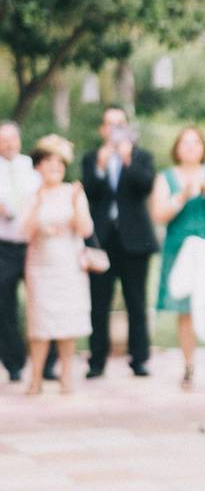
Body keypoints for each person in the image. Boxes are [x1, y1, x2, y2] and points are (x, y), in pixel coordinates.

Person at [150, 127, 205, 390]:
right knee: (184, 309)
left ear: (202, 147)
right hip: (181, 248)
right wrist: (182, 197)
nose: (189, 147)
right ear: (176, 148)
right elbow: (158, 215)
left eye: (195, 142)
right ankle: (188, 365)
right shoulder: (166, 178)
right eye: (184, 142)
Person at [82, 106, 158, 378]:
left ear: (127, 128)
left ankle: (139, 358)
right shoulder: (92, 158)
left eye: (119, 125)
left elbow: (145, 186)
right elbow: (89, 191)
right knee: (98, 302)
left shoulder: (141, 157)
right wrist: (101, 167)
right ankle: (97, 359)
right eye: (109, 124)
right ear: (102, 129)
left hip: (135, 241)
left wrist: (127, 160)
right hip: (102, 240)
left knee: (136, 302)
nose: (114, 130)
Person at [21, 135, 94, 394]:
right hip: (40, 267)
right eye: (48, 161)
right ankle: (36, 378)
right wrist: (39, 210)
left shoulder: (73, 191)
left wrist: (75, 205)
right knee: (39, 325)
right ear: (38, 166)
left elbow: (85, 229)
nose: (55, 166)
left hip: (68, 267)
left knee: (68, 323)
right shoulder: (32, 196)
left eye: (59, 162)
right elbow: (24, 233)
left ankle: (66, 377)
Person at [0, 121, 41, 382]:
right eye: (3, 140)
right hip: (3, 246)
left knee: (41, 301)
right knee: (5, 305)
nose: (8, 144)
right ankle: (14, 362)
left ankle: (45, 362)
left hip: (32, 244)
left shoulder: (31, 168)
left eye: (12, 138)